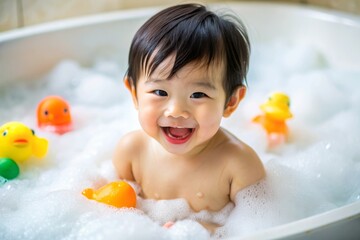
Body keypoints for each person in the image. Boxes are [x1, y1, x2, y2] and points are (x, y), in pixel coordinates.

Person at [113, 3, 265, 232]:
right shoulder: (131, 153)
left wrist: (208, 231)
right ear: (134, 93)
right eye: (160, 92)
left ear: (231, 101)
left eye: (198, 94)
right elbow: (110, 212)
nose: (176, 110)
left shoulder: (239, 166)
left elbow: (259, 230)